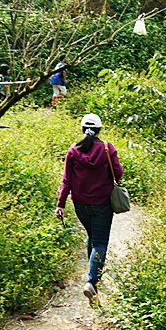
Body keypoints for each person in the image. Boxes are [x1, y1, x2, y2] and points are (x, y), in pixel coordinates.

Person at [54, 113, 124, 305]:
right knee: (100, 242)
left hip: (80, 204)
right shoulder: (107, 149)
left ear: (82, 130)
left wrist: (60, 204)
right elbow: (118, 173)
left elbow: (66, 180)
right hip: (102, 204)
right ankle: (92, 280)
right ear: (99, 130)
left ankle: (93, 278)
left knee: (92, 237)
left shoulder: (73, 151)